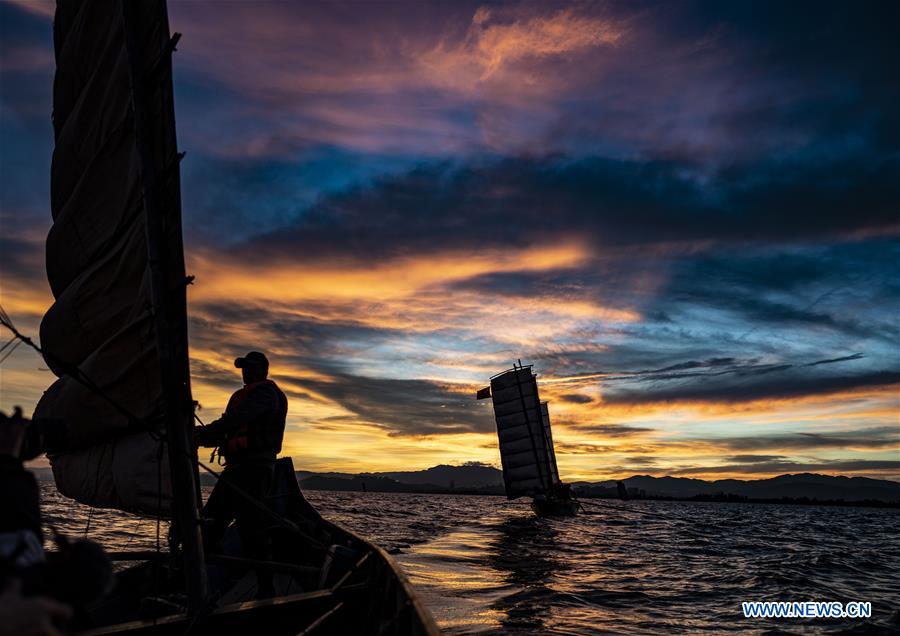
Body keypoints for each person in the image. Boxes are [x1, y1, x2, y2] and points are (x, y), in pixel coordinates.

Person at [194, 351, 287, 599]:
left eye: (250, 367)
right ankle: (203, 579)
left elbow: (237, 420)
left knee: (250, 526)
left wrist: (201, 435)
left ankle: (266, 587)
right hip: (237, 468)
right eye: (243, 367)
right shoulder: (246, 395)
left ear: (263, 369)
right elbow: (228, 429)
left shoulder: (266, 394)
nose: (245, 371)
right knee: (211, 520)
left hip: (255, 468)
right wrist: (199, 437)